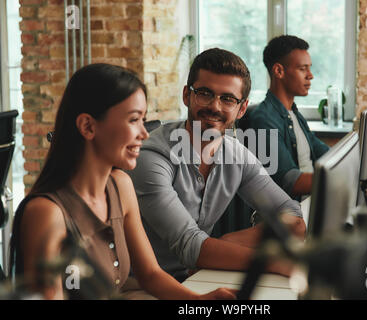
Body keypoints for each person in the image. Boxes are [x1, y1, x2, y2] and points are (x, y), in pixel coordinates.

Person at [8, 63, 235, 300]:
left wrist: (200, 301)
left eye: (143, 119)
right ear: (88, 126)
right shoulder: (47, 212)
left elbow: (150, 274)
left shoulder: (120, 186)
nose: (144, 133)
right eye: (134, 120)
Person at [128, 48, 306, 283]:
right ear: (186, 95)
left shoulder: (236, 154)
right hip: (146, 286)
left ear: (241, 109)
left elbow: (293, 218)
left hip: (203, 275)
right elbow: (190, 246)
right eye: (204, 93)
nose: (214, 106)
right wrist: (273, 263)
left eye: (228, 99)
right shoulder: (151, 158)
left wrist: (225, 243)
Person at [248, 35, 329, 200]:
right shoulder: (262, 120)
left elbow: (323, 153)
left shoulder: (293, 113)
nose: (310, 75)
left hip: (313, 201)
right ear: (279, 71)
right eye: (302, 68)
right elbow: (290, 182)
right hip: (295, 214)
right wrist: (348, 178)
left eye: (310, 68)